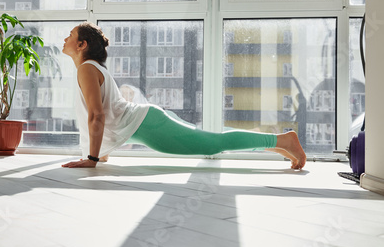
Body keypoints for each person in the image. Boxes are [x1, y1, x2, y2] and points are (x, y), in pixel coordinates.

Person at [61, 22, 306, 169]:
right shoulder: (93, 68)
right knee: (212, 139)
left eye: (70, 35)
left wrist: (92, 158)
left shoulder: (86, 69)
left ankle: (283, 141)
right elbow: (106, 114)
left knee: (215, 143)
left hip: (148, 125)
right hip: (148, 121)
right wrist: (100, 153)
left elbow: (97, 116)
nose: (65, 38)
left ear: (82, 45)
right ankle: (278, 146)